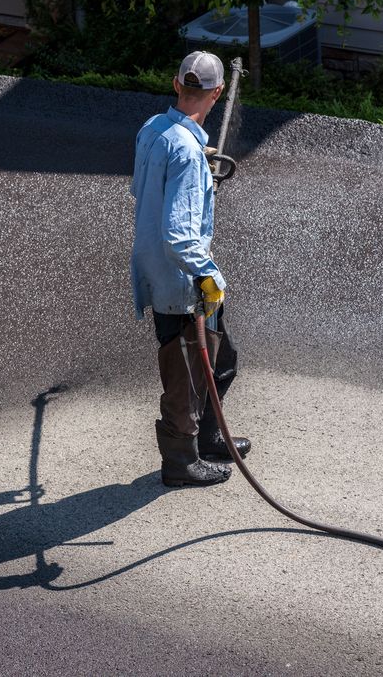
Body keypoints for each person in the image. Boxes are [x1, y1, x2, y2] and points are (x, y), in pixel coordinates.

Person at [130, 51, 252, 488]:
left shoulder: (154, 130)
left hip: (156, 268)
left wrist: (200, 156)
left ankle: (211, 435)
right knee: (184, 371)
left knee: (222, 358)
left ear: (176, 83)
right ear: (217, 92)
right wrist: (208, 277)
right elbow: (179, 235)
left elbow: (144, 185)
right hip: (181, 277)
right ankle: (181, 462)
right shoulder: (184, 150)